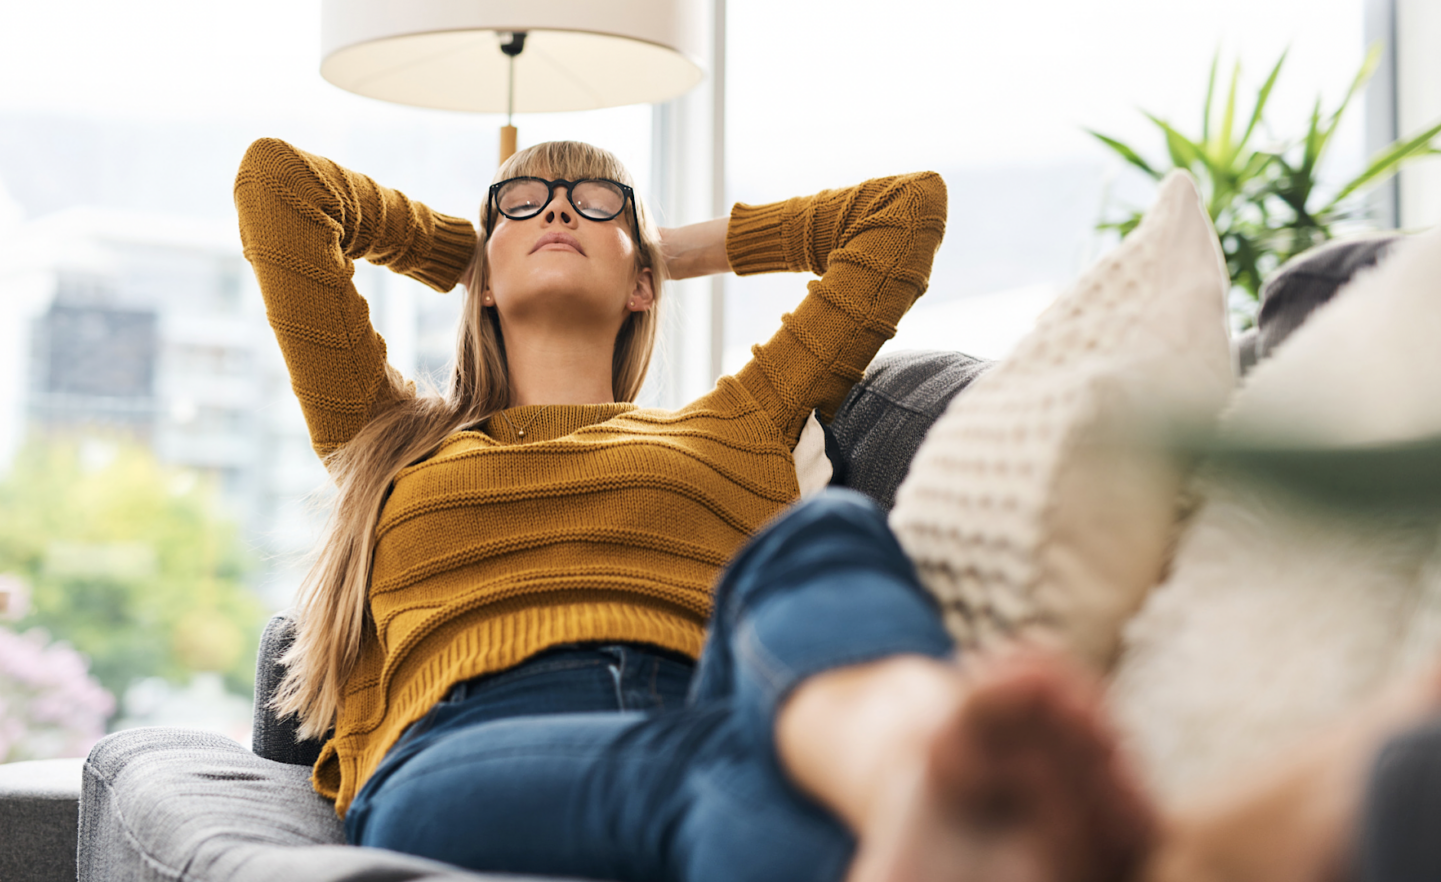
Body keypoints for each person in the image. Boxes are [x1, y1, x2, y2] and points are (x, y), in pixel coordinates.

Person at [237, 136, 1416, 882]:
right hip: (466, 745)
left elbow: (902, 213)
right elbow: (277, 186)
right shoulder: (389, 437)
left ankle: (919, 773)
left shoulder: (732, 424)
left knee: (823, 530)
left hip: (749, 699)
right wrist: (480, 248)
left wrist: (660, 245)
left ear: (643, 276)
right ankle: (929, 793)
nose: (559, 209)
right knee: (715, 778)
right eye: (528, 198)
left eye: (598, 201)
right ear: (481, 273)